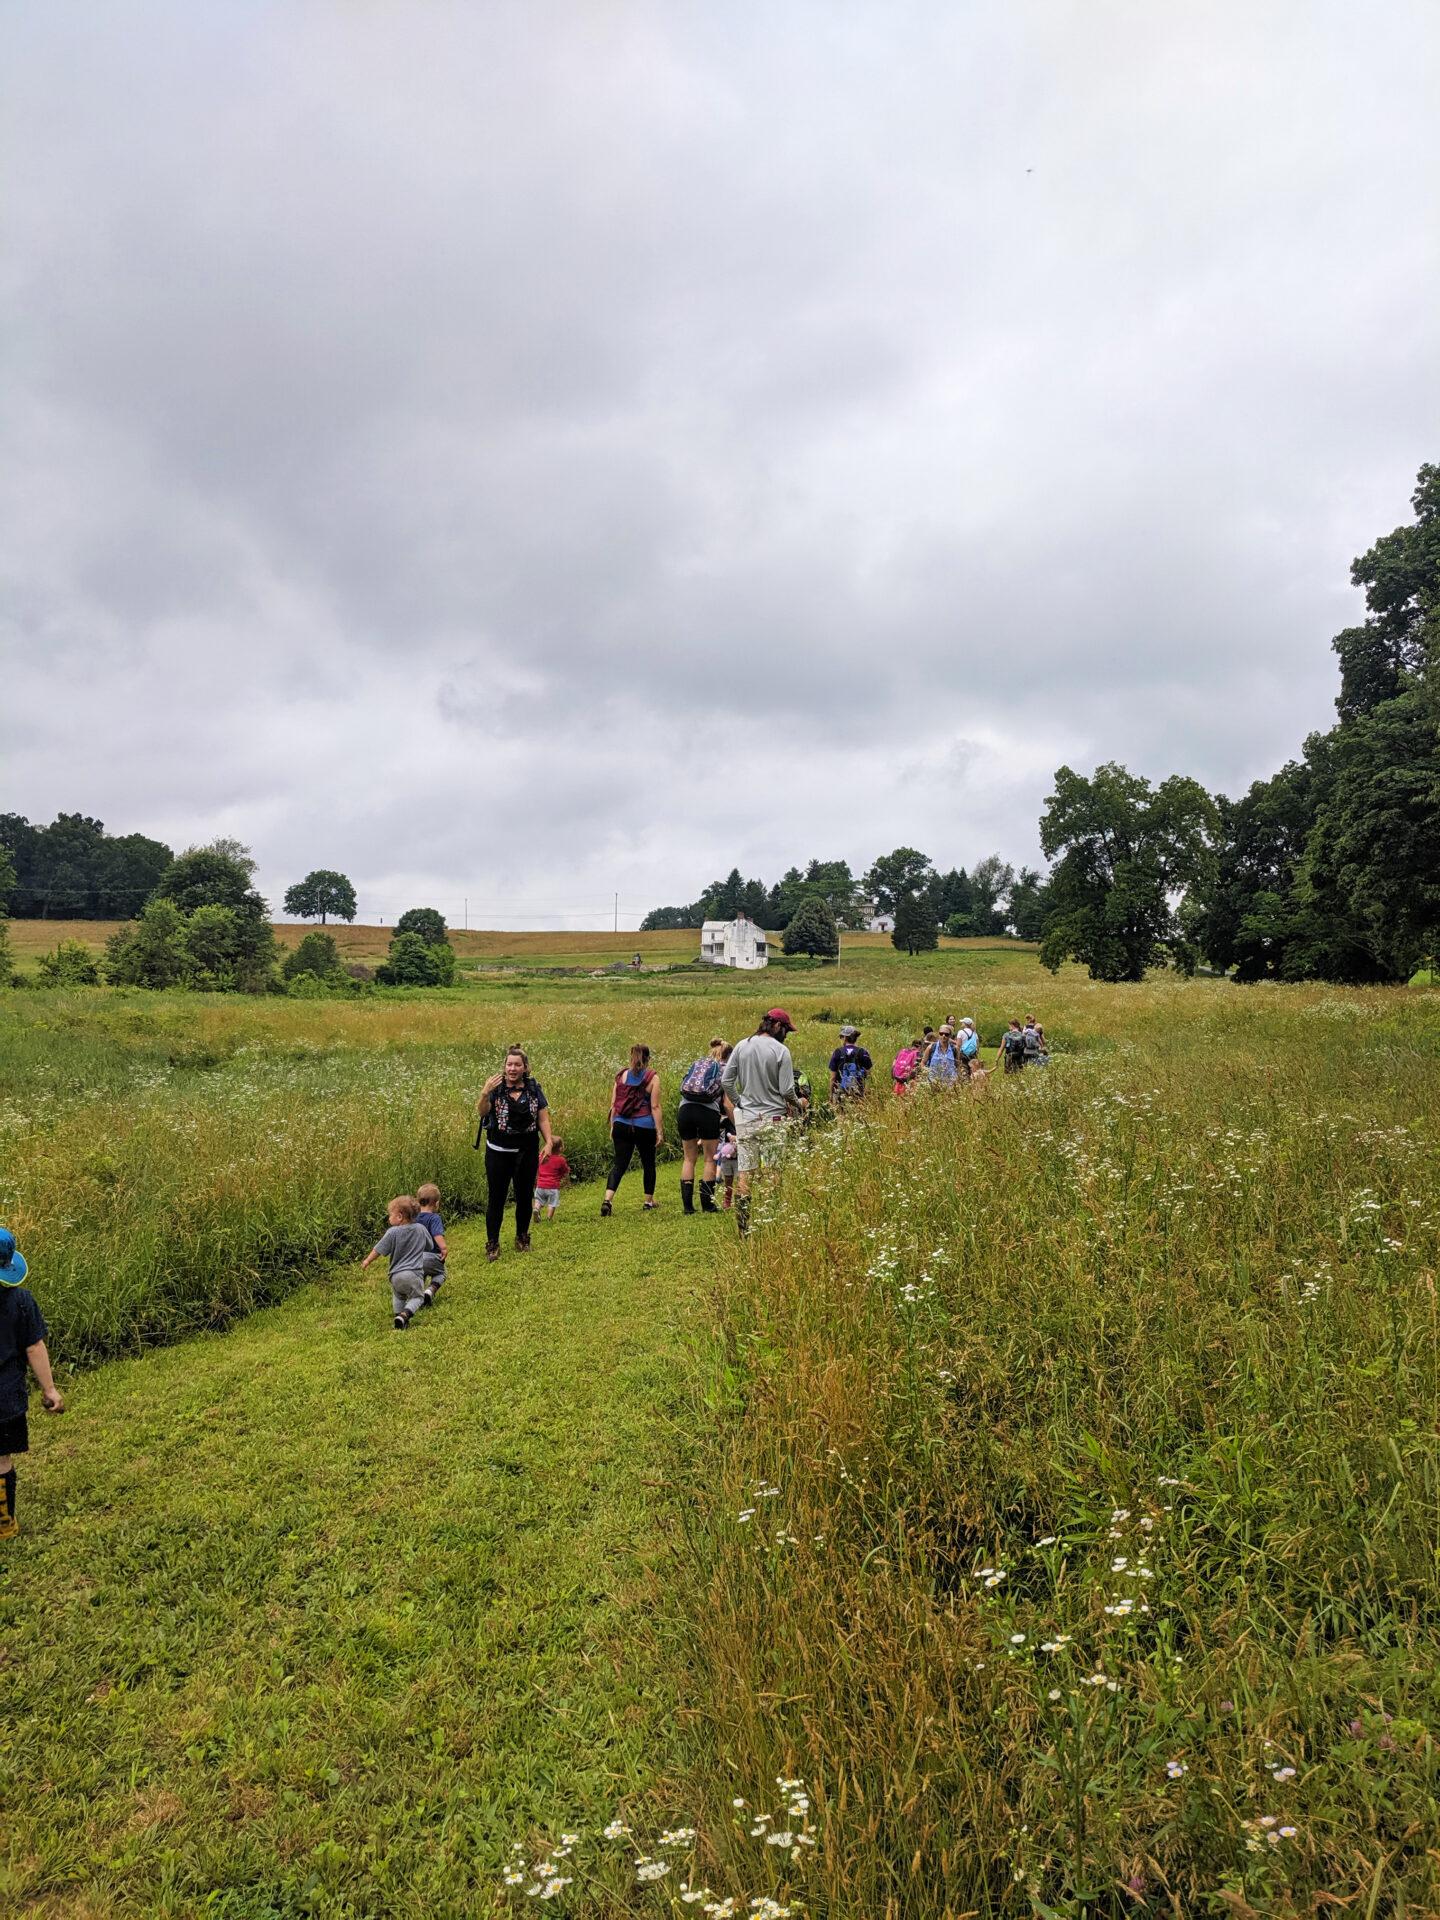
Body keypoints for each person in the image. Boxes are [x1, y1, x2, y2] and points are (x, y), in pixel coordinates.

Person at [1, 1228, 64, 1542]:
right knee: (1, 1459)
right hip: (6, 1399)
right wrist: (49, 1389)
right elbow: (34, 1348)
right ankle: (4, 1523)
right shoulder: (22, 1302)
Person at [720, 1008, 800, 1235]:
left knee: (745, 1171)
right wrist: (798, 1104)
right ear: (777, 1026)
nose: (786, 1034)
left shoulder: (742, 1045)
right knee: (774, 1170)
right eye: (785, 1029)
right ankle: (773, 1221)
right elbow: (786, 1089)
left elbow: (726, 1081)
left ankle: (744, 1228)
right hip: (773, 1118)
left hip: (747, 1119)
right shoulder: (781, 1050)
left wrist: (740, 1103)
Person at [476, 1046, 554, 1259]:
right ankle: (492, 1244)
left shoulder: (533, 1088)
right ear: (504, 1066)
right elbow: (482, 1112)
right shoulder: (495, 1088)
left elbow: (543, 1118)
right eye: (509, 1064)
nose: (512, 1068)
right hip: (498, 1152)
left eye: (517, 1065)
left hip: (526, 1152)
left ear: (525, 1067)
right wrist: (484, 1092)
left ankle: (522, 1237)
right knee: (497, 1199)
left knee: (524, 1196)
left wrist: (548, 1142)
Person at [602, 1044, 663, 1215]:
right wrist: (659, 1131)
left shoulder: (621, 1076)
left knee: (619, 1164)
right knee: (648, 1163)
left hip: (621, 1124)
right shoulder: (653, 1077)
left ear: (631, 1057)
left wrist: (613, 1125)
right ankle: (648, 1202)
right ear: (648, 1058)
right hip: (644, 1126)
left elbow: (614, 1104)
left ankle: (607, 1200)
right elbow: (655, 1106)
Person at [360, 1195, 435, 1330]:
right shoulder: (420, 1229)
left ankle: (398, 1317)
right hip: (413, 1274)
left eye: (390, 1215)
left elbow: (378, 1249)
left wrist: (367, 1260)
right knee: (418, 1298)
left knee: (398, 1296)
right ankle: (404, 1315)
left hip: (395, 1276)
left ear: (400, 1216)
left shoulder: (392, 1232)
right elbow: (429, 1246)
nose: (389, 1218)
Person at [677, 1037, 728, 1214]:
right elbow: (727, 1103)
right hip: (707, 1112)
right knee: (709, 1158)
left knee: (689, 1158)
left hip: (685, 1110)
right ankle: (708, 1204)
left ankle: (688, 1206)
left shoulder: (698, 1064)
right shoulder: (724, 1069)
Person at [415, 1182, 448, 1301]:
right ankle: (430, 1290)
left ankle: (417, 1296)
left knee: (420, 1275)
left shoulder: (414, 1218)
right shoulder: (434, 1218)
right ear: (437, 1203)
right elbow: (437, 1234)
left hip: (415, 1258)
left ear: (418, 1202)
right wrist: (443, 1248)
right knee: (441, 1274)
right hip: (432, 1256)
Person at [828, 1025, 873, 1104]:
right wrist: (867, 1093)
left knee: (841, 1115)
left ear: (845, 1038)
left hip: (840, 1092)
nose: (841, 1039)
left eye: (841, 1037)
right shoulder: (863, 1052)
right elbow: (868, 1076)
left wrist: (831, 1095)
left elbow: (833, 1078)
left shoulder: (837, 1052)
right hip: (858, 1092)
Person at [534, 1138, 570, 1222]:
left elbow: (537, 1168)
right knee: (552, 1203)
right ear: (560, 1148)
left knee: (538, 1200)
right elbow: (565, 1171)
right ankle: (548, 1219)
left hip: (540, 1185)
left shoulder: (541, 1157)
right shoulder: (560, 1160)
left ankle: (536, 1209)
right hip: (553, 1187)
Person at [924, 1022, 961, 1086]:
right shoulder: (931, 1047)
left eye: (946, 1034)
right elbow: (923, 1062)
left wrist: (958, 1078)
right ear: (938, 1034)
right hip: (933, 1082)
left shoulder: (955, 1049)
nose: (943, 1036)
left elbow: (957, 1065)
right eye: (941, 1034)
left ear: (950, 1035)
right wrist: (926, 1071)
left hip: (950, 1083)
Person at [715, 1116, 738, 1209]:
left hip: (739, 1155)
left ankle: (739, 1201)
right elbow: (717, 1126)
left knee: (739, 1179)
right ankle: (727, 1200)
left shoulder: (744, 1118)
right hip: (727, 1155)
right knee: (728, 1179)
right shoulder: (726, 1121)